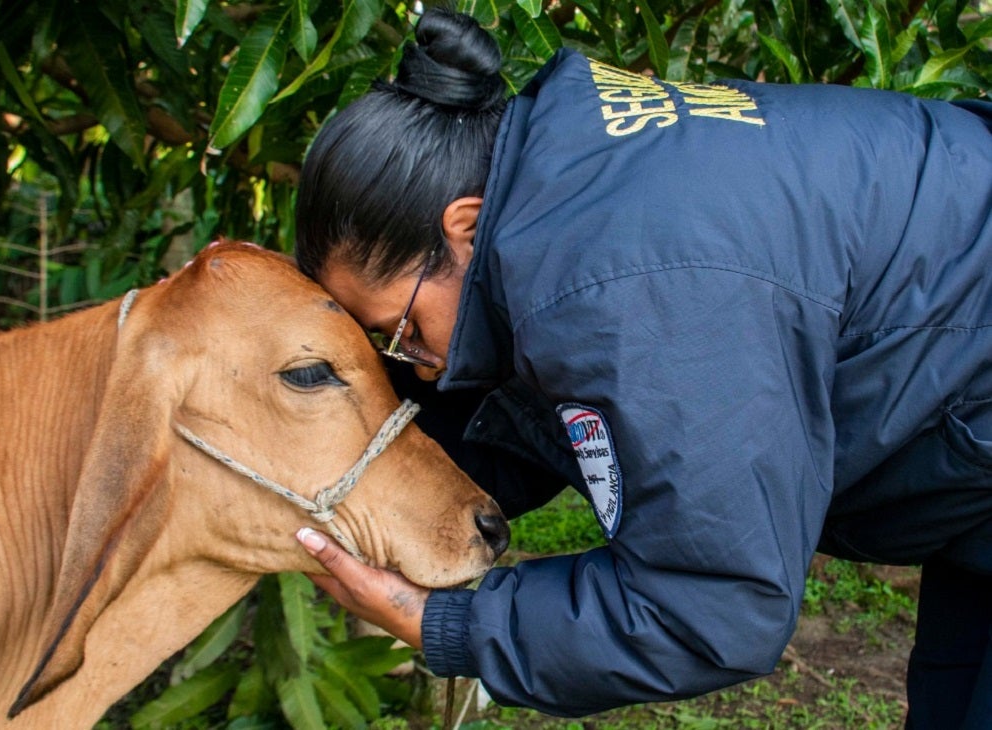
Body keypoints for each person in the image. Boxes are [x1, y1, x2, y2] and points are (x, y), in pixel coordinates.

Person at [289, 6, 992, 728]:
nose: (421, 366)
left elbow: (714, 605)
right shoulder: (567, 182)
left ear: (463, 227)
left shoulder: (630, 284)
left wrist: (443, 625)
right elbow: (548, 416)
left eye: (402, 330)